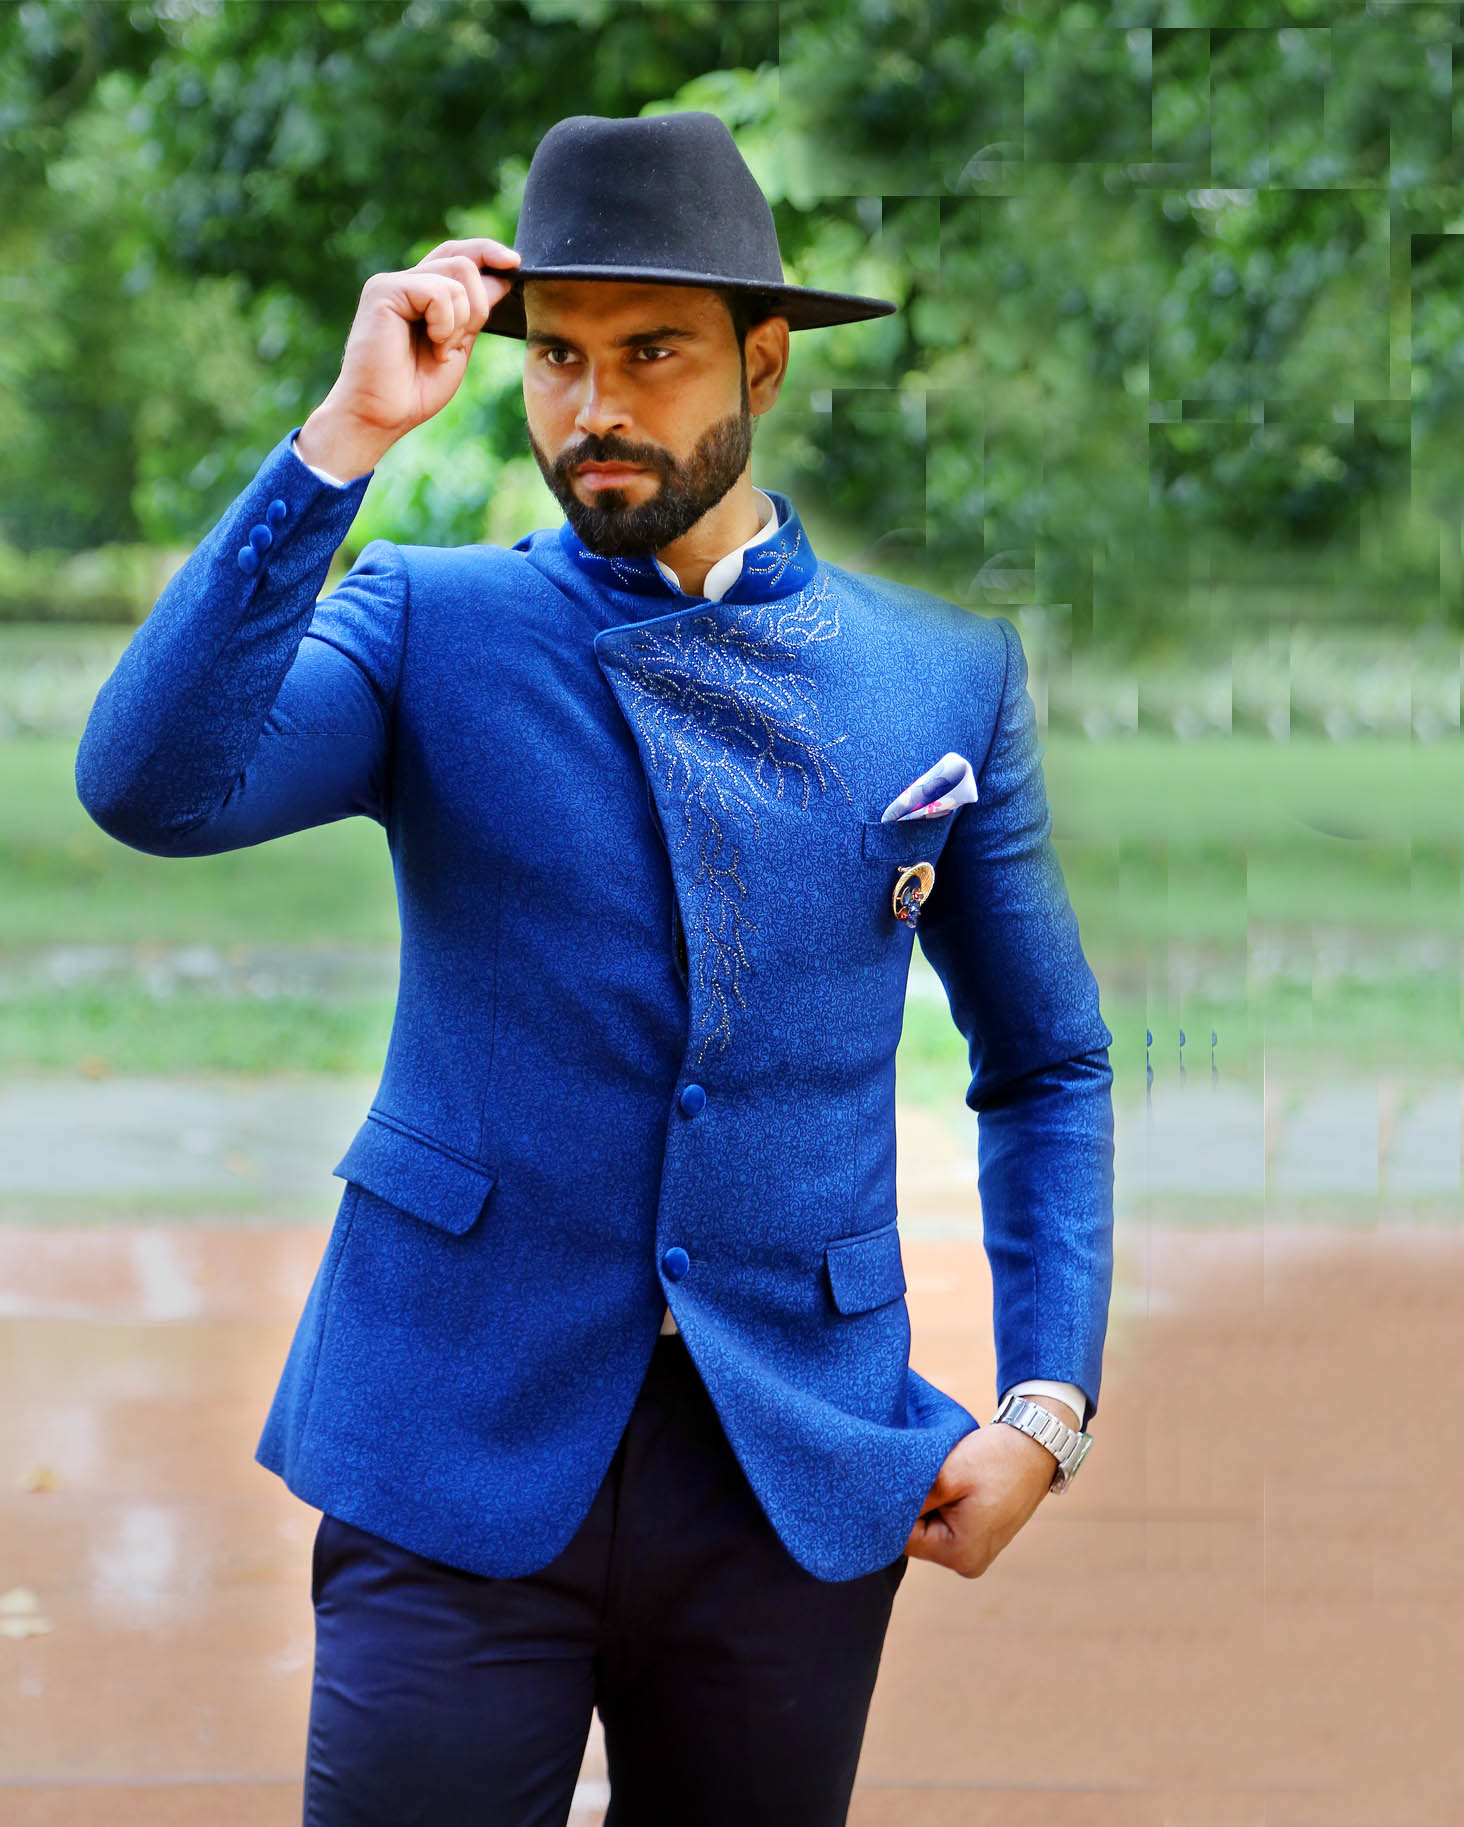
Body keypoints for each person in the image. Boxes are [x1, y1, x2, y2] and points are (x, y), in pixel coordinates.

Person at [75, 111, 1114, 1826]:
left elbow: (1048, 1059)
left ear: (764, 363)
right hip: (451, 1430)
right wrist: (344, 439)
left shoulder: (939, 674)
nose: (595, 406)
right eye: (557, 356)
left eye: (653, 354)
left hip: (790, 1460)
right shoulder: (430, 622)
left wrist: (1048, 1404)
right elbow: (149, 786)